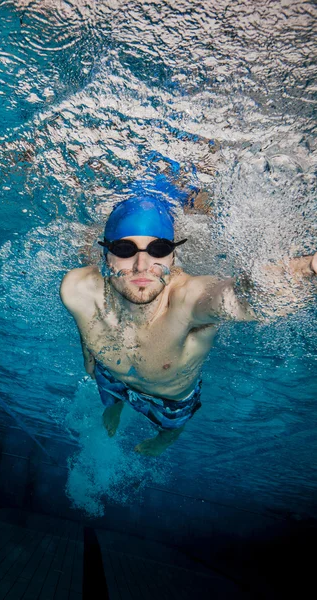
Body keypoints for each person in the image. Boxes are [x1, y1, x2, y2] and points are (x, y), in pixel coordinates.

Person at [60, 195, 317, 456]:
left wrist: (309, 268)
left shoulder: (186, 300)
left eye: (158, 250)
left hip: (168, 399)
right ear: (106, 256)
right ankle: (115, 405)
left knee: (170, 428)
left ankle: (165, 438)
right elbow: (87, 324)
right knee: (110, 395)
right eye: (125, 250)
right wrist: (89, 353)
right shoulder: (76, 290)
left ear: (173, 257)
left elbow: (240, 297)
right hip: (110, 376)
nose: (142, 266)